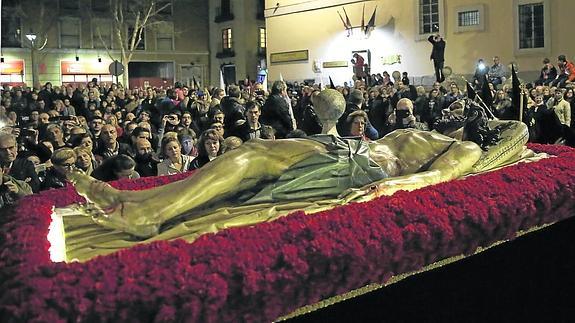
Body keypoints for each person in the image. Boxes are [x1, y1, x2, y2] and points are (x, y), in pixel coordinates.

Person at [68, 89, 530, 238]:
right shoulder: (433, 129)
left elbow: (433, 177)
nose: (455, 109)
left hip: (367, 169)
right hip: (352, 150)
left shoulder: (467, 149)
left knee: (251, 156)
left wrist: (388, 191)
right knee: (251, 153)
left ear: (483, 125)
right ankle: (143, 200)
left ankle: (149, 213)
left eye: (469, 112)